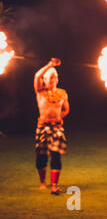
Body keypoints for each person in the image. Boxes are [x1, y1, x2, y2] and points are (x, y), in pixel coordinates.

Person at [34, 58, 70, 195]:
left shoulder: (62, 93)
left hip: (57, 128)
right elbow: (37, 76)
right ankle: (43, 182)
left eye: (54, 78)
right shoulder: (40, 91)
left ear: (57, 79)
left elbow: (66, 109)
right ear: (45, 80)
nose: (52, 80)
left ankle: (54, 186)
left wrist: (61, 116)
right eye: (49, 78)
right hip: (43, 127)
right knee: (41, 157)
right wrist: (50, 65)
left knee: (56, 156)